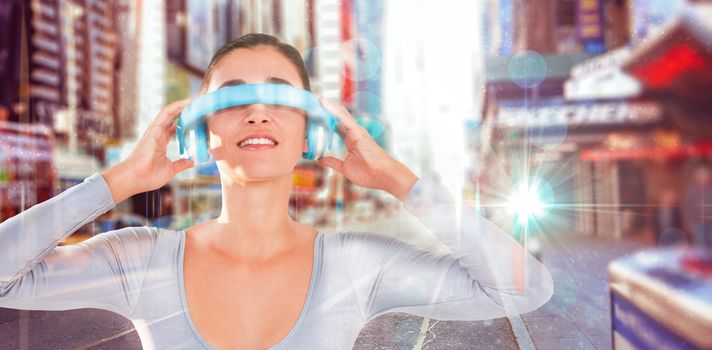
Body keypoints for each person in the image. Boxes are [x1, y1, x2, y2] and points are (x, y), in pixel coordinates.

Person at [0, 34, 553, 349]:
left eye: (280, 96)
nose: (258, 111)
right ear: (199, 129)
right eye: (232, 97)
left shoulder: (354, 264)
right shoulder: (141, 257)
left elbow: (523, 289)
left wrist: (393, 179)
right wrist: (118, 180)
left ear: (313, 130)